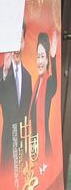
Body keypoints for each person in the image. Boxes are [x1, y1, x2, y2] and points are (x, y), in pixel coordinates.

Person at [0, 27, 33, 176]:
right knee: (7, 175)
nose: (16, 47)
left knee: (23, 176)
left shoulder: (28, 77)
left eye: (20, 40)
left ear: (24, 43)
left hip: (23, 138)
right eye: (13, 41)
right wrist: (5, 71)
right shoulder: (3, 71)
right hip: (8, 138)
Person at [30, 29, 59, 161]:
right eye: (38, 56)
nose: (40, 61)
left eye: (42, 56)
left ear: (47, 59)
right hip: (34, 149)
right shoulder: (35, 86)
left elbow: (55, 81)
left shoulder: (49, 84)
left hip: (45, 151)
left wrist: (53, 57)